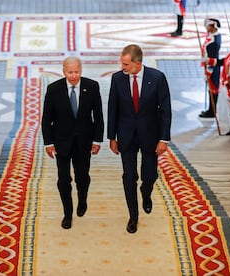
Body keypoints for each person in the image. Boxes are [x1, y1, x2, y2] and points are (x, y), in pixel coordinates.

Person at [107, 44, 172, 233]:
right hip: (126, 135)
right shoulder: (117, 79)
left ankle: (146, 191)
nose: (123, 68)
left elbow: (165, 111)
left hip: (150, 135)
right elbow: (113, 109)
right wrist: (112, 137)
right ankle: (133, 217)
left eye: (126, 64)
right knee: (129, 177)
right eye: (122, 63)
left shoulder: (157, 78)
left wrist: (164, 139)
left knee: (150, 175)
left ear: (138, 63)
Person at [41, 56, 104, 229]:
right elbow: (46, 119)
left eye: (77, 72)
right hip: (61, 142)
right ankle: (67, 213)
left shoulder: (92, 87)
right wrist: (48, 143)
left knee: (82, 177)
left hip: (84, 142)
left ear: (81, 70)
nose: (74, 76)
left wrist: (97, 140)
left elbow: (98, 116)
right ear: (63, 71)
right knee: (63, 179)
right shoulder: (53, 89)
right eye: (70, 72)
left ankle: (82, 200)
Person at [199, 18, 221, 118]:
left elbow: (212, 57)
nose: (206, 28)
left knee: (213, 89)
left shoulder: (214, 41)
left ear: (213, 27)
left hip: (212, 68)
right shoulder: (212, 36)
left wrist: (208, 70)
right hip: (208, 65)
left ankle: (212, 111)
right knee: (210, 89)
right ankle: (210, 109)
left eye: (208, 26)